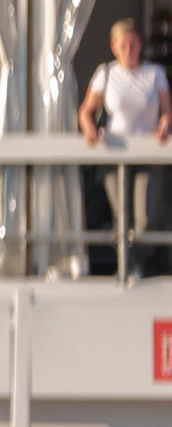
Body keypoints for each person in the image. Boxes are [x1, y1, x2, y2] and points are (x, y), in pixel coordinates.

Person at [81, 18, 170, 277]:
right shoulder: (105, 73)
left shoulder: (155, 73)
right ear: (114, 47)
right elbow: (87, 110)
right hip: (115, 155)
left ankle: (138, 263)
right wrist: (89, 128)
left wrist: (164, 125)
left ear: (140, 45)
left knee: (146, 216)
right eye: (123, 44)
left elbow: (167, 111)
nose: (128, 49)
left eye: (132, 43)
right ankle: (127, 266)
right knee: (122, 215)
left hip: (147, 155)